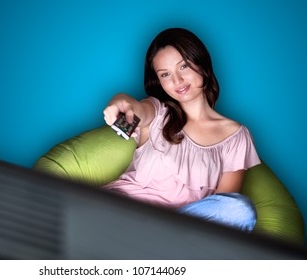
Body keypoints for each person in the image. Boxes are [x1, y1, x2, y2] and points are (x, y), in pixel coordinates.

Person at [102, 28, 261, 233]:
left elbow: (222, 207)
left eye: (183, 66)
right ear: (159, 81)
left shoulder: (236, 137)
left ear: (201, 63)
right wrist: (121, 104)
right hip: (122, 211)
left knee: (239, 209)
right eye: (165, 74)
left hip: (176, 229)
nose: (177, 81)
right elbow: (136, 108)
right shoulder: (158, 112)